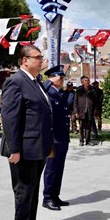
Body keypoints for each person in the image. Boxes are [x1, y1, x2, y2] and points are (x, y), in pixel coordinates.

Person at [0, 45, 54, 220]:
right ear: (25, 60)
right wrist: (14, 149)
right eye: (37, 57)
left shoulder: (35, 81)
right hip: (23, 149)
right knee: (23, 191)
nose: (41, 61)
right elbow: (10, 118)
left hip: (37, 147)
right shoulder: (15, 81)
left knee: (33, 189)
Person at [42, 65, 71, 211]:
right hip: (53, 138)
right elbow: (41, 89)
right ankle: (47, 198)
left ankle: (55, 195)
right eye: (60, 78)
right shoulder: (47, 92)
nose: (62, 80)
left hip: (62, 137)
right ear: (53, 78)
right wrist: (49, 81)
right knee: (51, 168)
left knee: (59, 168)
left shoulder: (59, 93)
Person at [73, 76, 97, 146]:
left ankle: (87, 141)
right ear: (82, 82)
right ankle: (81, 140)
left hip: (89, 111)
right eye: (85, 80)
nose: (87, 82)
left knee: (88, 127)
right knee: (81, 127)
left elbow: (95, 102)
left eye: (88, 80)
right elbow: (75, 102)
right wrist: (76, 112)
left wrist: (95, 111)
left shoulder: (92, 90)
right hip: (81, 111)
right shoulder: (79, 90)